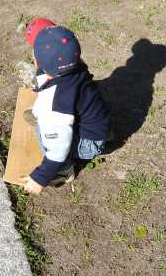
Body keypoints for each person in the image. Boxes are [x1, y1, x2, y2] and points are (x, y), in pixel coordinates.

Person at [19, 20, 111, 195]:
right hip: (98, 124)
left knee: (45, 135)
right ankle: (101, 135)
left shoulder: (54, 103)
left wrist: (40, 177)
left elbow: (58, 148)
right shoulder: (76, 66)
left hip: (89, 144)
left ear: (37, 61)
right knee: (51, 121)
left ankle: (64, 172)